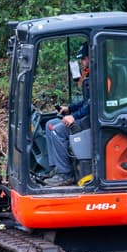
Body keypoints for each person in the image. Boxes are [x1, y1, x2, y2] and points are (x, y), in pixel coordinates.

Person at [40, 55, 90, 187]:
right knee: (49, 125)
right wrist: (69, 109)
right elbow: (86, 102)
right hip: (86, 115)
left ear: (90, 57)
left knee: (58, 131)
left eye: (83, 58)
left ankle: (66, 174)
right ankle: (57, 167)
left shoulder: (100, 76)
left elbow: (95, 103)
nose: (81, 62)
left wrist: (74, 116)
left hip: (93, 119)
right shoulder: (90, 75)